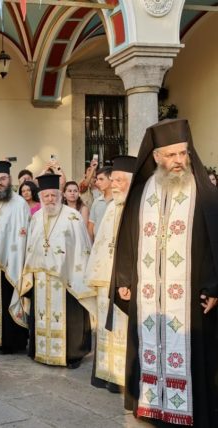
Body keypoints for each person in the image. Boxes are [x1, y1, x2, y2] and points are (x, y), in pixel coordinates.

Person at [110, 119, 218, 427]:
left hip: (190, 295)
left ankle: (188, 411)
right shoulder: (142, 192)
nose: (179, 160)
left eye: (183, 153)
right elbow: (127, 238)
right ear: (156, 156)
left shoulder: (204, 192)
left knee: (193, 352)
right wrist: (124, 279)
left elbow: (215, 242)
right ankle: (151, 406)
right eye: (171, 155)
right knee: (148, 343)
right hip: (148, 295)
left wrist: (214, 287)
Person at [11, 174, 91, 368]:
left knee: (69, 316)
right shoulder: (36, 218)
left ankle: (72, 354)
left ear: (60, 195)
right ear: (41, 197)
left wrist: (76, 273)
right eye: (46, 196)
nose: (50, 199)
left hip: (66, 277)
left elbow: (82, 248)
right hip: (40, 277)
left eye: (53, 195)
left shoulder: (73, 217)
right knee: (40, 315)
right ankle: (40, 351)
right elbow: (31, 246)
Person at [83, 155, 136, 393]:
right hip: (106, 278)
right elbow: (101, 243)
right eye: (112, 180)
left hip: (126, 281)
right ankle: (106, 373)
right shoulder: (112, 207)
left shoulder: (137, 207)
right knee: (107, 328)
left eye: (118, 180)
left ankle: (123, 377)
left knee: (124, 327)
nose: (113, 185)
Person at [0, 160, 30, 353]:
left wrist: (15, 261)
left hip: (11, 262)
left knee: (7, 299)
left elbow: (21, 235)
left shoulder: (19, 204)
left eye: (3, 179)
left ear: (10, 179)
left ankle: (11, 343)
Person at [88, 166, 113, 241]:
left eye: (101, 179)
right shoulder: (96, 201)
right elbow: (91, 227)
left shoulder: (119, 202)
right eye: (97, 179)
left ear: (111, 179)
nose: (97, 182)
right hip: (97, 244)